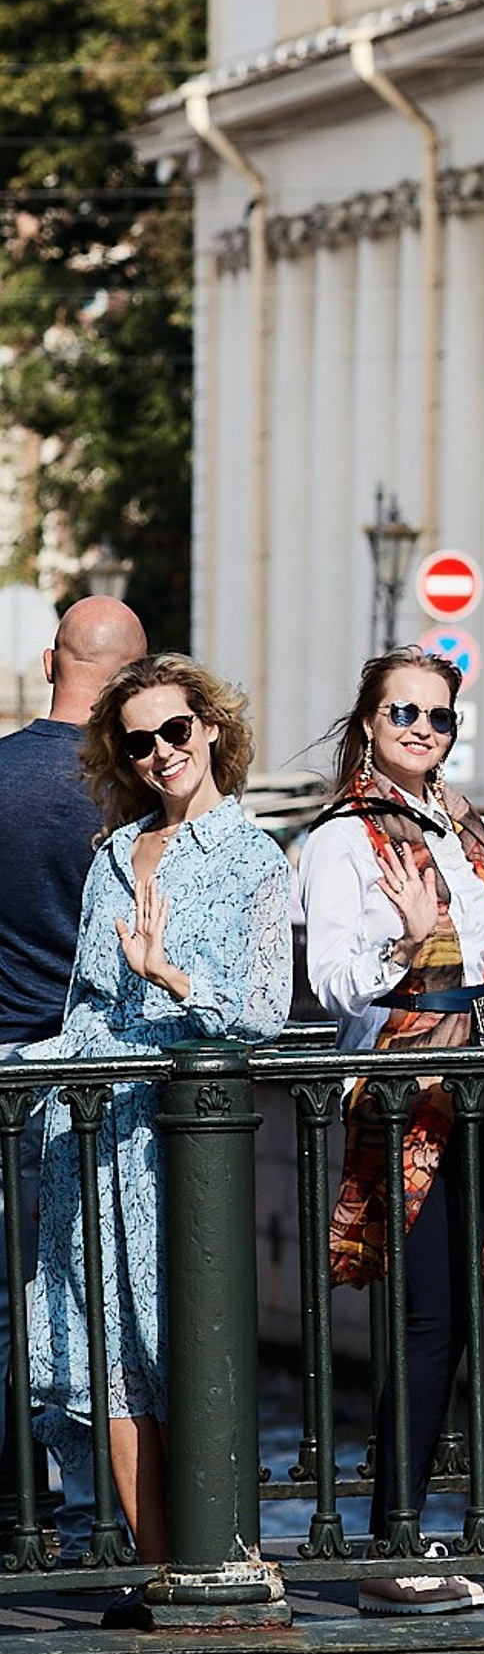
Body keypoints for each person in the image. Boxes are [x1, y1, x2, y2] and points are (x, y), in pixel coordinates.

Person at [25, 655, 290, 1603]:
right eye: (138, 741)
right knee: (109, 1357)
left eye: (175, 731)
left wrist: (170, 976)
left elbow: (261, 1010)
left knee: (183, 1341)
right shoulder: (110, 852)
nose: (160, 753)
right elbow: (82, 1003)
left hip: (180, 1138)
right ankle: (156, 1563)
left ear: (211, 728)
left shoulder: (254, 857)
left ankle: (205, 1556)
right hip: (87, 1130)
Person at [299, 649, 484, 1617]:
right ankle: (391, 1540)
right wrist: (404, 937)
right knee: (426, 1312)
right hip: (402, 1085)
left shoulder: (456, 822)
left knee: (454, 1310)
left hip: (473, 1081)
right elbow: (336, 978)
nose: (424, 729)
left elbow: (482, 953)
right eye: (405, 713)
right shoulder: (345, 836)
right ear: (370, 720)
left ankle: (403, 1521)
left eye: (439, 715)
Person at [0, 595, 142, 1565]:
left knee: (7, 1296)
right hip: (109, 1079)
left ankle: (16, 1511)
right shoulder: (141, 789)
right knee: (106, 1297)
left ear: (50, 659)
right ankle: (117, 1517)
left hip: (6, 1072)